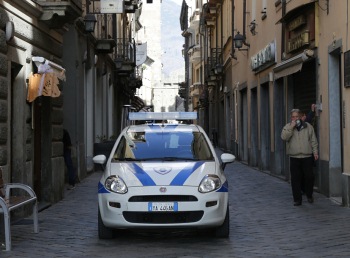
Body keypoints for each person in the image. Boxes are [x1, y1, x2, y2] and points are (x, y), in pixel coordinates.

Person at [281, 109, 319, 206]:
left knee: (309, 177)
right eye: (293, 117)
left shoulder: (308, 127)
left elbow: (313, 140)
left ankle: (309, 195)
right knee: (295, 179)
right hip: (294, 157)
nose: (295, 118)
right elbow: (284, 137)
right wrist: (291, 128)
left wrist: (315, 152)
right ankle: (297, 199)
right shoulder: (287, 127)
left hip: (307, 156)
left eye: (296, 116)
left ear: (301, 117)